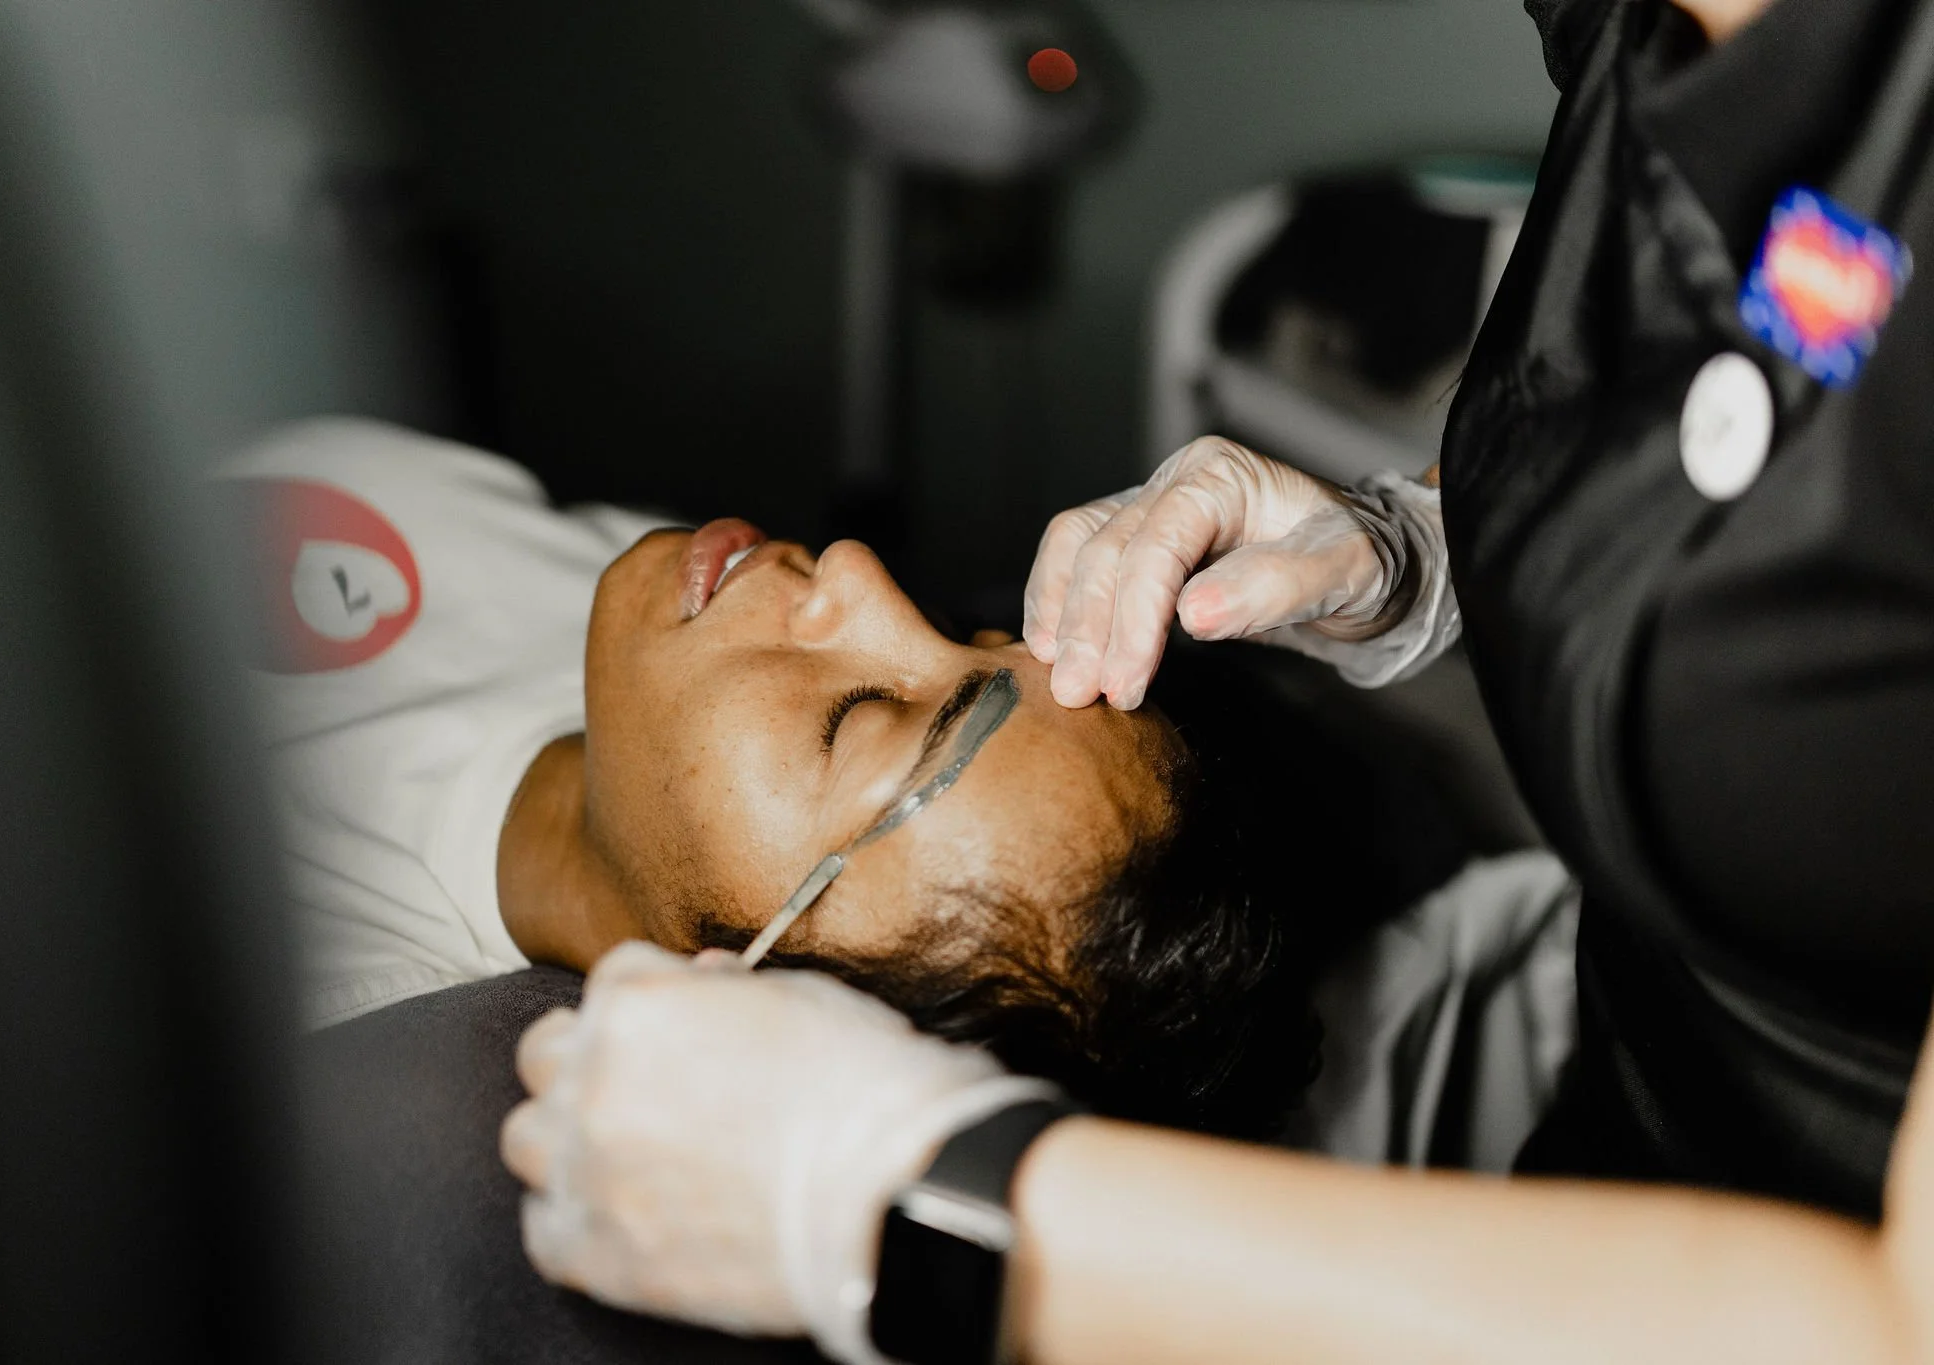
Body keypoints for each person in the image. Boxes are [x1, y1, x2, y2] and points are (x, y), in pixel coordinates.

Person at [500, 0, 1934, 1360]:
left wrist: (929, 1200)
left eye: (872, 720)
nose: (864, 574)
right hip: (1614, 1174)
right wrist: (1435, 544)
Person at [224, 416, 1372, 1137]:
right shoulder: (643, 628)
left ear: (742, 998)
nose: (858, 576)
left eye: (859, 719)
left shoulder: (300, 1032)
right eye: (968, 641)